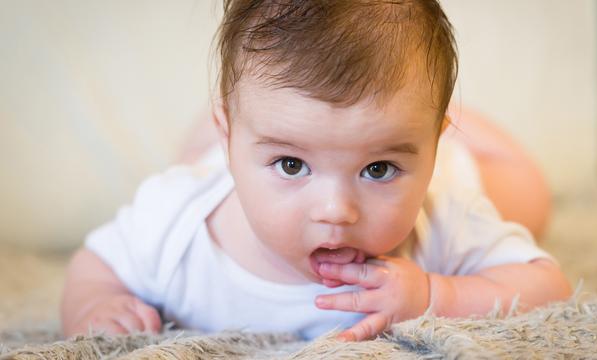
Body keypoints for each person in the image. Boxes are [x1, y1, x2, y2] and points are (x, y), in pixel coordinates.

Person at [61, 0, 571, 342]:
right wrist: (96, 306)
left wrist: (439, 294)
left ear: (430, 150)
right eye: (291, 164)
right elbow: (95, 265)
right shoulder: (175, 224)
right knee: (198, 161)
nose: (336, 211)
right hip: (225, 156)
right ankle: (235, 135)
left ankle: (456, 121)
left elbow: (549, 286)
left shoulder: (441, 218)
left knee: (530, 198)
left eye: (378, 169)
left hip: (453, 165)